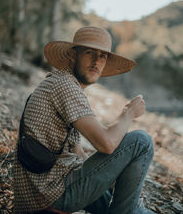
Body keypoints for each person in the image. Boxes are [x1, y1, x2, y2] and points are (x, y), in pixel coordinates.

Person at [13, 26, 155, 214]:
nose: (97, 61)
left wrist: (110, 173)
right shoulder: (65, 86)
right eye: (89, 53)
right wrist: (128, 113)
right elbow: (106, 144)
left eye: (102, 56)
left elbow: (77, 154)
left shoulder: (61, 83)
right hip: (47, 196)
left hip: (41, 194)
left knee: (111, 203)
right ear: (73, 56)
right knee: (141, 141)